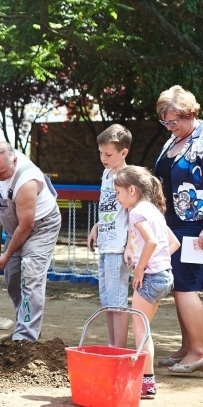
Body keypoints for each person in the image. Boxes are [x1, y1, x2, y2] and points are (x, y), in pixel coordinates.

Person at [113, 166, 180, 398]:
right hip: (165, 276)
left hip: (151, 278)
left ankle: (147, 383)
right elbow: (173, 243)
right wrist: (155, 263)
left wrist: (141, 268)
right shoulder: (153, 209)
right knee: (145, 328)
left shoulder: (136, 212)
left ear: (132, 190)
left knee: (140, 330)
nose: (117, 197)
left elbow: (150, 242)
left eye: (118, 193)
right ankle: (145, 379)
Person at [0, 141, 61, 342]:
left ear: (15, 160)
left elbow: (26, 226)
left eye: (2, 172)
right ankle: (26, 326)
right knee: (13, 279)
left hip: (40, 227)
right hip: (16, 228)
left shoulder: (27, 181)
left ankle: (26, 337)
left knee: (30, 276)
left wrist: (6, 254)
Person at [153, 86, 203, 373]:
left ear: (192, 114)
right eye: (165, 122)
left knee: (186, 286)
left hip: (194, 225)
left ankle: (198, 350)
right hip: (171, 223)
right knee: (178, 286)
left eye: (174, 122)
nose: (170, 127)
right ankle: (187, 345)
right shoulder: (173, 140)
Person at [86, 124, 133, 348]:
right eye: (100, 153)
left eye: (108, 154)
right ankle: (113, 346)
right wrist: (97, 226)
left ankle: (119, 350)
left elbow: (134, 212)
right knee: (108, 301)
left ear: (123, 153)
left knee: (117, 301)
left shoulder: (127, 177)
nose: (103, 158)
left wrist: (131, 245)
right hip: (106, 243)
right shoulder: (106, 174)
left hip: (118, 246)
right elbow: (110, 208)